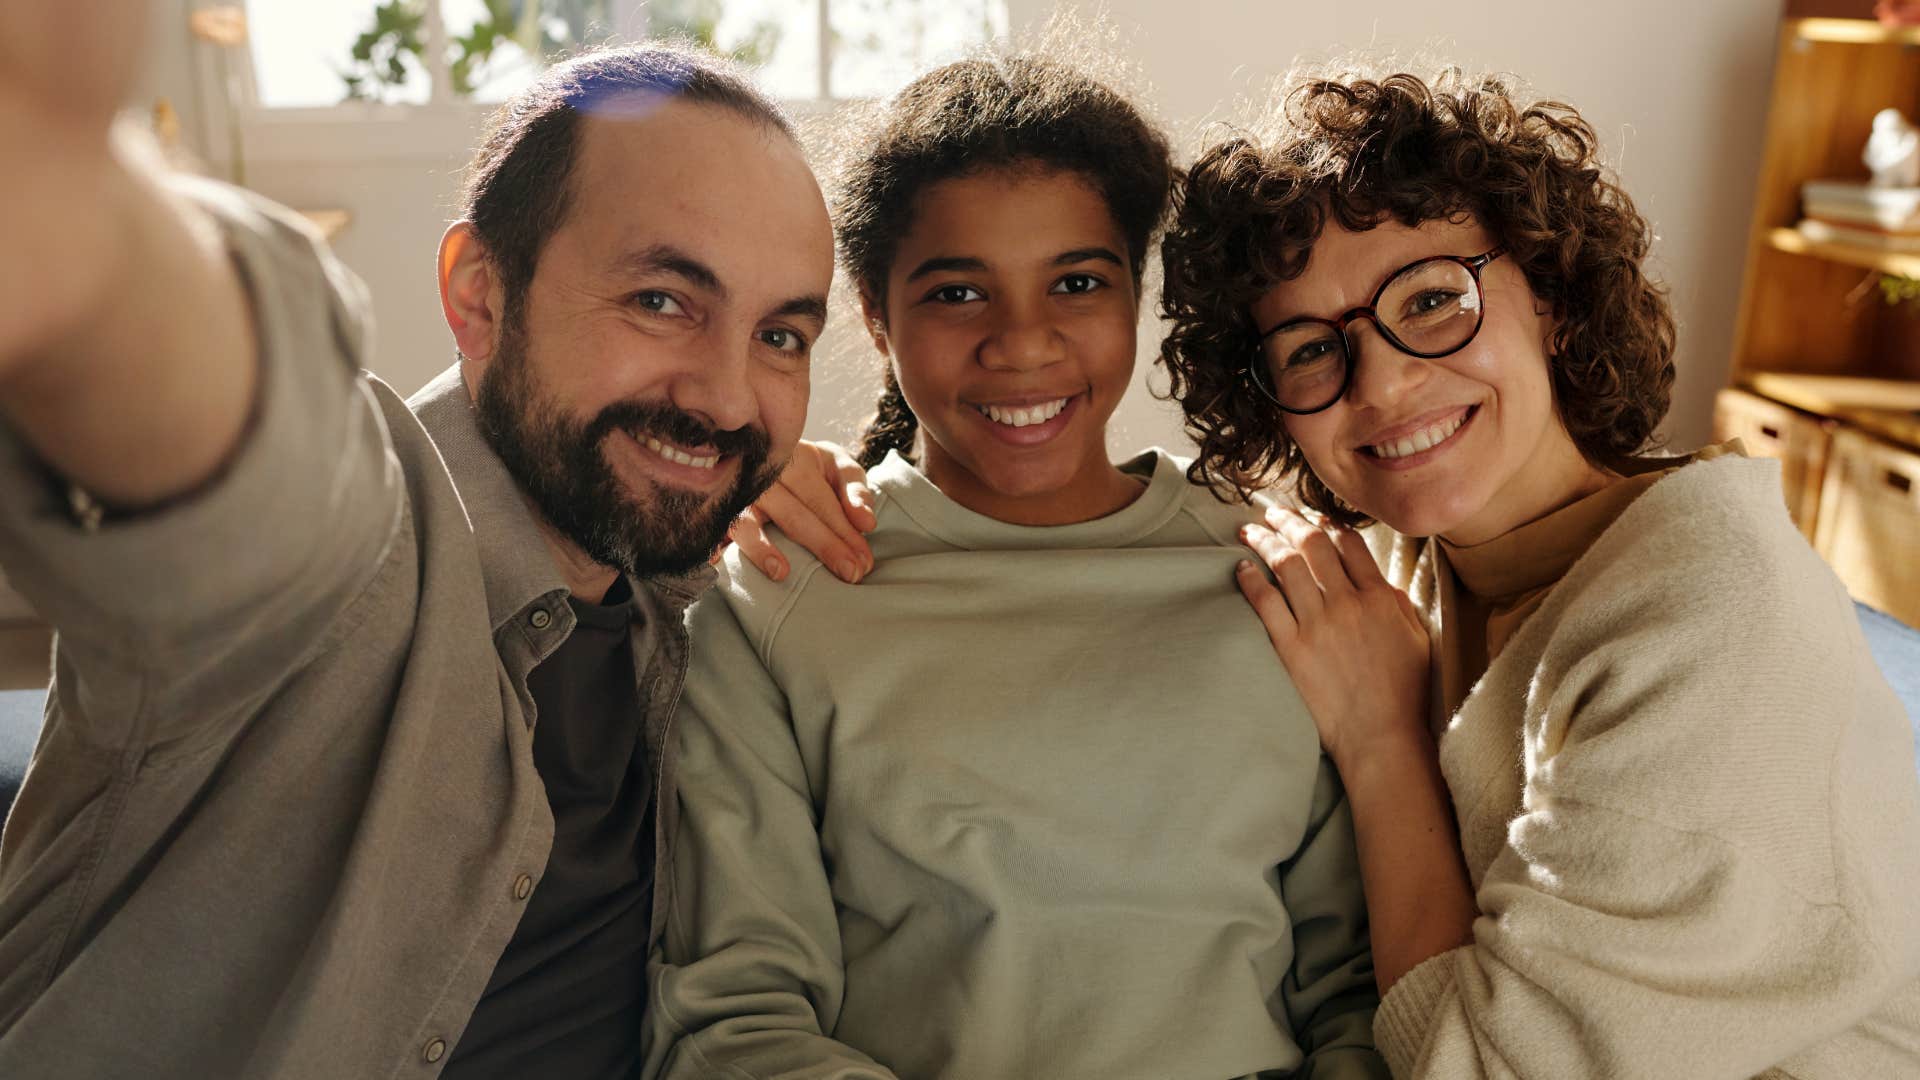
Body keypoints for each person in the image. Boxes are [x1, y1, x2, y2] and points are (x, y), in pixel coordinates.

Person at [0, 10, 833, 1076]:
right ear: (479, 295)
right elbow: (264, 441)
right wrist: (78, 220)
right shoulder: (361, 556)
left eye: (780, 337)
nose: (725, 397)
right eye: (662, 300)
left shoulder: (710, 610)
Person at [1159, 67, 1920, 1077]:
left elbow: (1488, 1068)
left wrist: (1382, 741)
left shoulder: (1712, 628)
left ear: (1551, 298)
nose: (1382, 384)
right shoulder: (1421, 559)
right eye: (1308, 351)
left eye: (1431, 300)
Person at [647, 55, 1385, 1080]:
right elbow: (738, 1019)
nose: (1022, 343)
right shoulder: (781, 596)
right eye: (957, 293)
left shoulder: (1279, 575)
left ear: (1137, 290)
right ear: (873, 314)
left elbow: (1358, 995)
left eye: (1077, 283)